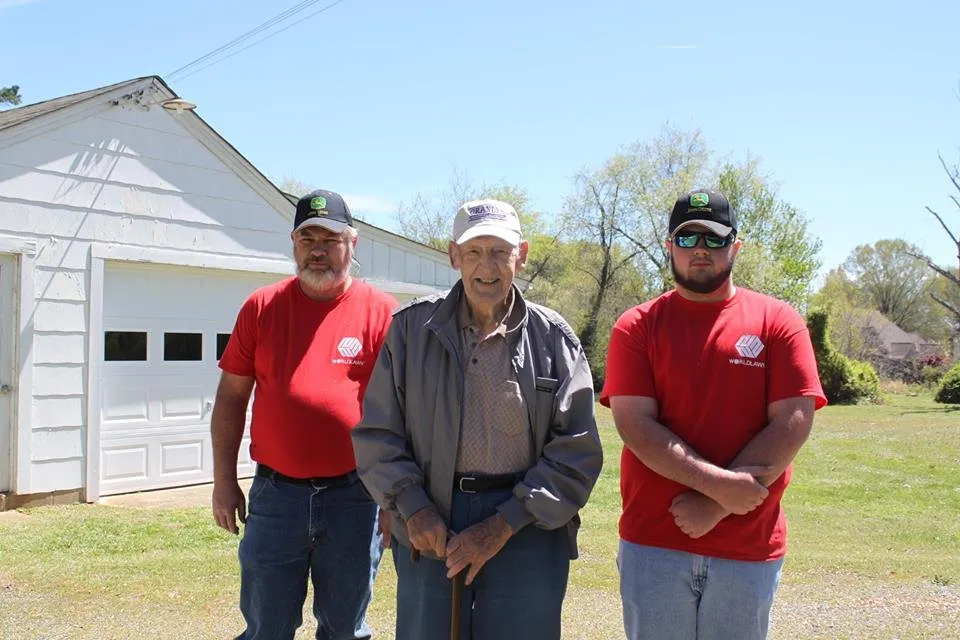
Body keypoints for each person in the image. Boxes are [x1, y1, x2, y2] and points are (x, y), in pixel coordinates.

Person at [352, 199, 603, 640]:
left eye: (499, 252)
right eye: (473, 252)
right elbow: (378, 434)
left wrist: (503, 523)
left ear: (520, 256)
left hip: (528, 522)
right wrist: (413, 507)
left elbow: (576, 451)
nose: (486, 267)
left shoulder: (554, 338)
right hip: (432, 521)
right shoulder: (410, 330)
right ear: (453, 256)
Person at [601, 189, 827, 640]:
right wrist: (719, 487)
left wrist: (716, 507)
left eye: (714, 238)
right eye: (686, 239)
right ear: (669, 247)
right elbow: (635, 426)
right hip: (654, 543)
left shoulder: (778, 321)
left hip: (747, 546)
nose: (699, 249)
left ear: (735, 247)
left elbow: (793, 422)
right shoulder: (636, 326)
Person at [211, 189, 397, 640]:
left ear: (352, 245)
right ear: (293, 244)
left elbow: (402, 414)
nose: (318, 250)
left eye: (329, 239)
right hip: (277, 498)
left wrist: (395, 498)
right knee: (266, 627)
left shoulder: (382, 312)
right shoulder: (261, 307)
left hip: (356, 498)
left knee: (344, 629)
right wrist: (223, 481)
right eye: (307, 238)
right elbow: (231, 398)